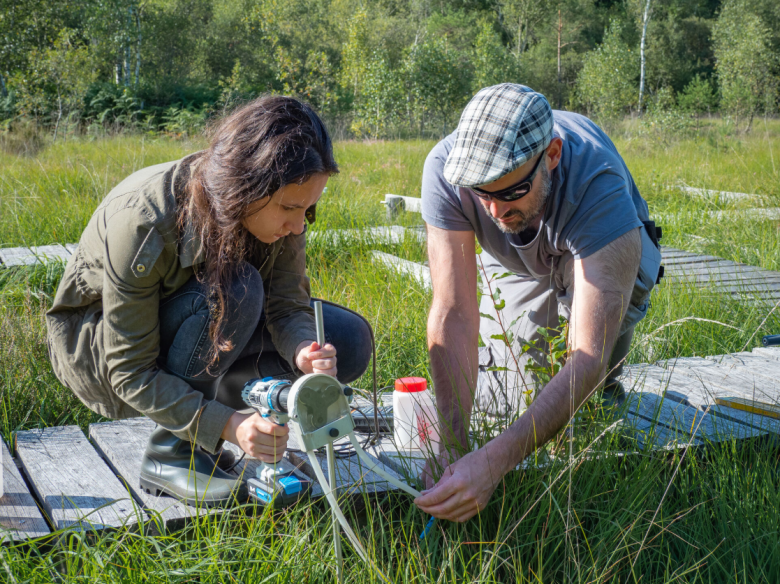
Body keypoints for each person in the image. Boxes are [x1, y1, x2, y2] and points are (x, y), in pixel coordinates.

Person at [45, 96, 372, 506]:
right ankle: (174, 451)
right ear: (244, 190)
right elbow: (128, 370)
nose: (298, 225)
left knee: (349, 340)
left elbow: (287, 306)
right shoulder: (144, 222)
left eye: (309, 209)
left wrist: (304, 349)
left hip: (205, 326)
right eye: (290, 208)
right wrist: (227, 425)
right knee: (235, 291)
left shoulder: (284, 206)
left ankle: (234, 414)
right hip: (103, 353)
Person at [414, 84, 662, 522]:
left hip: (603, 250)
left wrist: (493, 463)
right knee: (519, 388)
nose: (493, 210)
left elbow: (587, 356)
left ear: (551, 154)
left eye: (510, 191)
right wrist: (452, 444)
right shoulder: (445, 170)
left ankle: (606, 405)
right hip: (525, 258)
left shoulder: (596, 184)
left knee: (585, 406)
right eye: (480, 193)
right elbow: (453, 310)